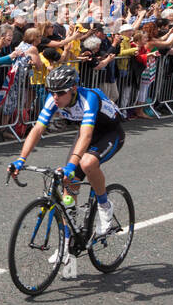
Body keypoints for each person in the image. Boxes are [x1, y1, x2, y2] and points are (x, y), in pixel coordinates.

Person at [9, 64, 125, 238]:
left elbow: (85, 136)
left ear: (73, 89)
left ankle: (105, 206)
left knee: (86, 163)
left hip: (110, 133)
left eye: (61, 92)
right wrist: (21, 159)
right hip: (87, 132)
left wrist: (71, 165)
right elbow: (38, 130)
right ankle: (67, 242)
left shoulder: (89, 98)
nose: (55, 97)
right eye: (51, 91)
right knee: (68, 185)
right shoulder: (53, 99)